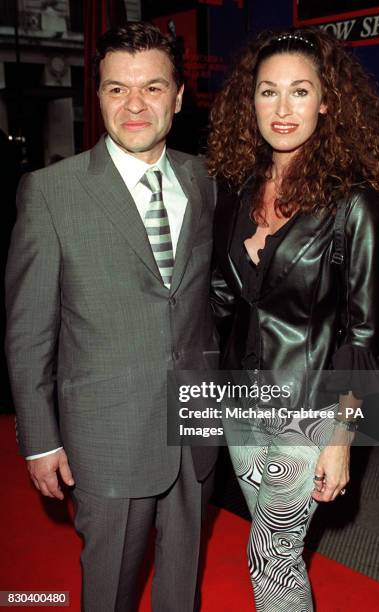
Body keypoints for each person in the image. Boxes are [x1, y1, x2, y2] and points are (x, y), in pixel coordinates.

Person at [5, 21, 217, 612]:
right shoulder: (51, 192)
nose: (133, 105)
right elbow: (28, 332)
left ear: (177, 97)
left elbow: (206, 300)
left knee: (183, 588)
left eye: (152, 87)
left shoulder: (205, 181)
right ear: (96, 95)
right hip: (106, 431)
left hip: (196, 421)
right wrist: (40, 440)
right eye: (116, 89)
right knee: (108, 593)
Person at [208, 27, 379, 611]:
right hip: (241, 404)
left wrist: (342, 437)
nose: (283, 109)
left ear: (326, 101)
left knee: (272, 552)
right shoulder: (238, 188)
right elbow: (220, 298)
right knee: (274, 552)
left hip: (311, 409)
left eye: (299, 91)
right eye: (268, 92)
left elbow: (370, 335)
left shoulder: (354, 204)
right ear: (252, 101)